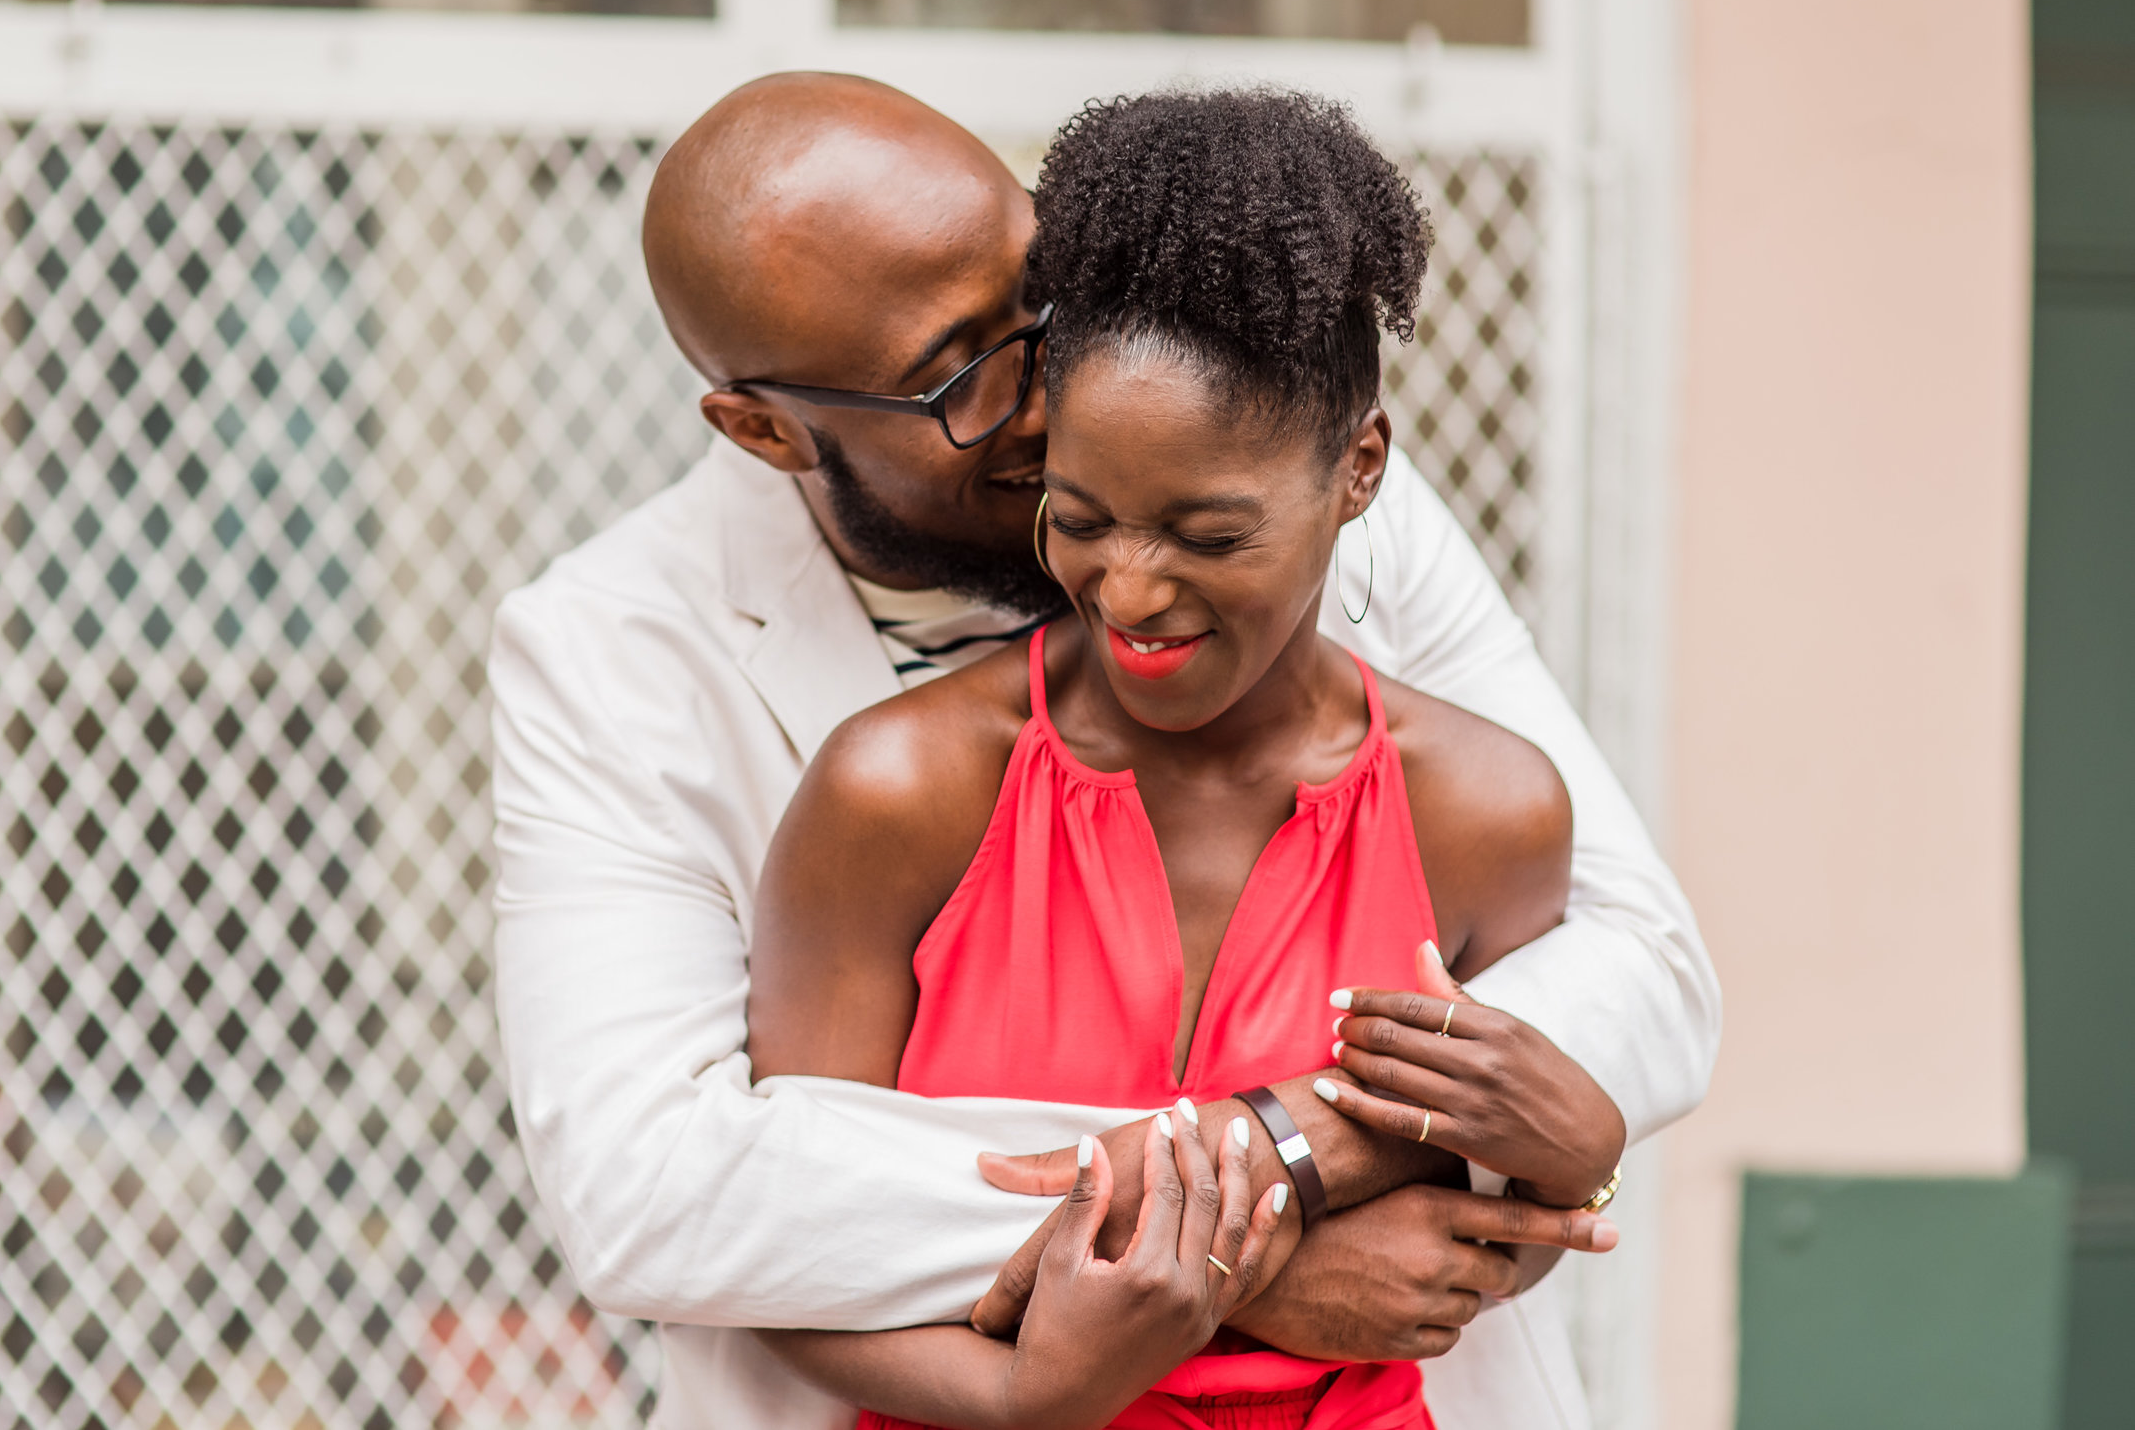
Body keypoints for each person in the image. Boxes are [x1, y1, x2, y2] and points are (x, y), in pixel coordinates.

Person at [491, 73, 1718, 1430]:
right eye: (963, 373)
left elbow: (1638, 963)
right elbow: (657, 1190)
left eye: (1043, 299)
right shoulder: (610, 651)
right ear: (768, 428)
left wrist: (1293, 1151)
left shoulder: (1267, 463)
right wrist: (1245, 1249)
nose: (1046, 394)